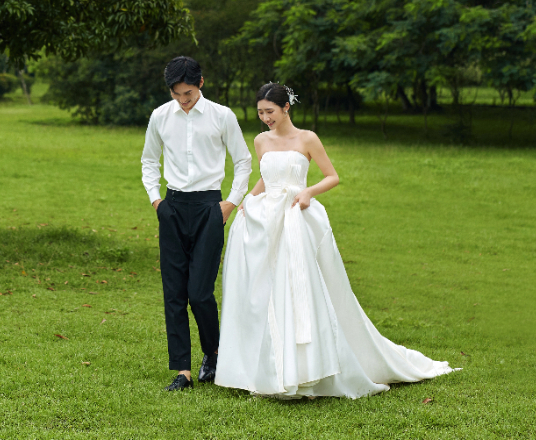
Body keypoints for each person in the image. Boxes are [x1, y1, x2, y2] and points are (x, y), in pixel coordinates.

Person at [215, 82, 457, 398]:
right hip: (266, 217)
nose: (265, 118)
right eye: (261, 112)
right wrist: (249, 199)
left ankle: (310, 367)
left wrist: (308, 192)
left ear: (286, 107)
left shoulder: (308, 139)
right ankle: (271, 367)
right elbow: (267, 175)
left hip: (295, 216)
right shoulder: (261, 141)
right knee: (267, 290)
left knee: (299, 285)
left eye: (270, 111)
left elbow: (332, 176)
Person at [141, 56, 252, 391]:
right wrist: (156, 201)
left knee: (200, 292)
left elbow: (243, 160)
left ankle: (214, 352)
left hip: (209, 208)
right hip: (172, 207)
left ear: (200, 83)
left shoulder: (222, 116)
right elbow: (149, 159)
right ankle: (183, 371)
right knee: (174, 292)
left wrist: (229, 204)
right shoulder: (160, 116)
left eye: (187, 93)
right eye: (176, 94)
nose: (182, 100)